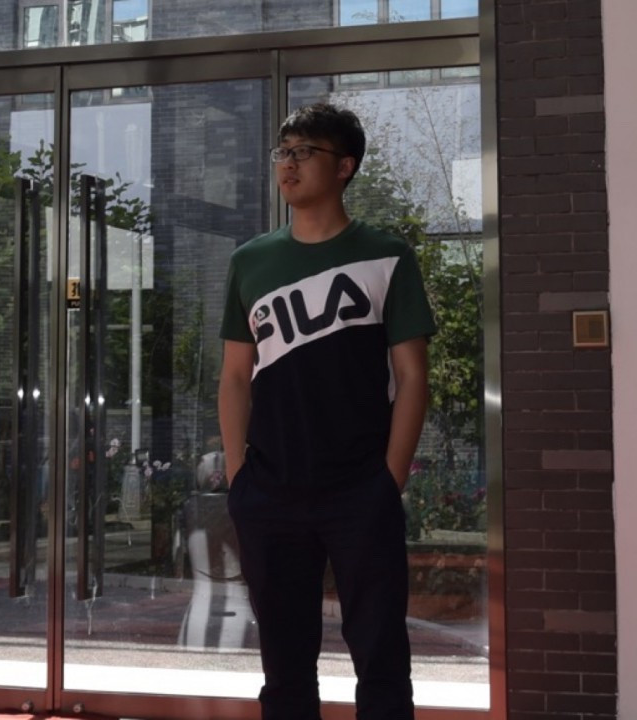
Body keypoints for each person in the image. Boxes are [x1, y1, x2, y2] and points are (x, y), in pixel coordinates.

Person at [218, 102, 436, 720]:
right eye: (282, 153)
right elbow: (234, 377)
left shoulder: (387, 255)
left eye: (304, 152)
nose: (287, 165)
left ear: (345, 167)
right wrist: (238, 476)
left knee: (382, 662)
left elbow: (412, 376)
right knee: (284, 670)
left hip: (360, 490)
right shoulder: (250, 261)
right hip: (269, 491)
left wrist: (388, 479)